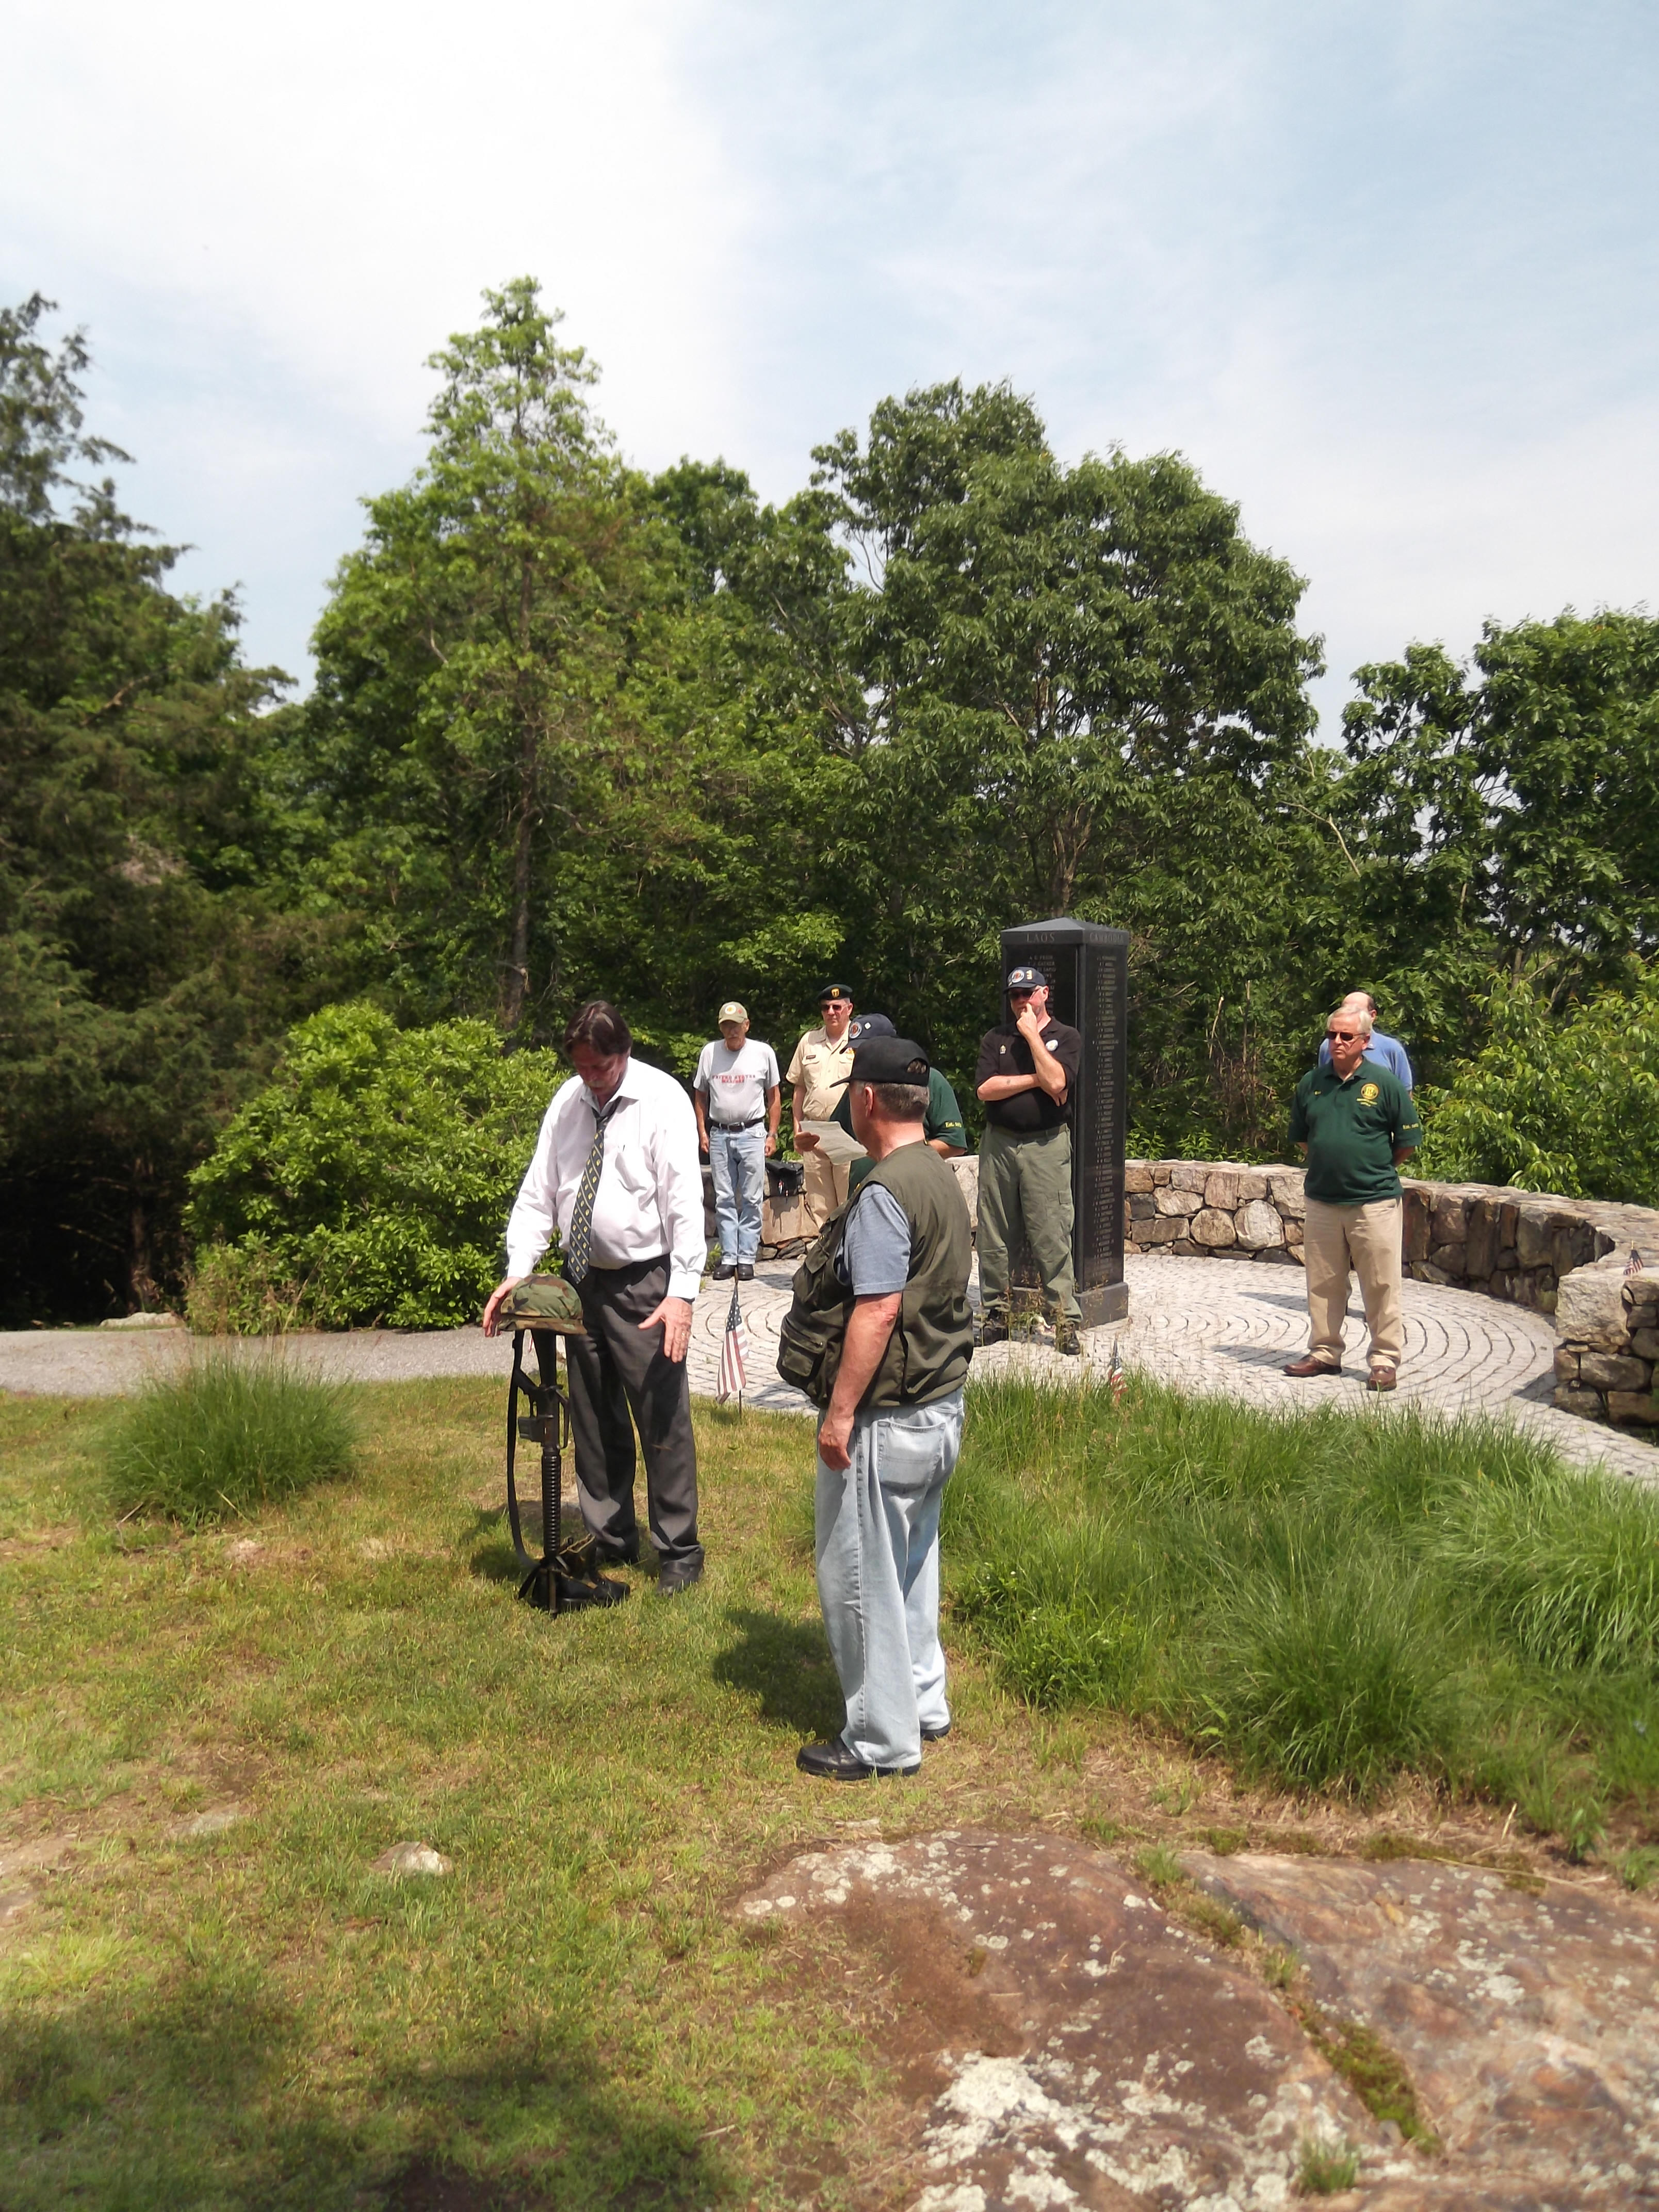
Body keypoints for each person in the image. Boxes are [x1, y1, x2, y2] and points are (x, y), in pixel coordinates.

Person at [778, 1033, 974, 1780]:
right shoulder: (937, 1172)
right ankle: (925, 1703)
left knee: (858, 1576)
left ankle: (879, 1738)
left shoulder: (886, 1190)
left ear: (865, 1100)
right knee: (911, 1567)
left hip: (888, 1417)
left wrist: (839, 1417)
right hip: (940, 1405)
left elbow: (879, 1309)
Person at [483, 999, 707, 1594]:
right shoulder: (568, 1102)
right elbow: (540, 1192)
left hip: (646, 1282)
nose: (591, 1079)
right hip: (580, 1282)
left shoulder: (662, 1100)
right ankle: (611, 1536)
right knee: (592, 1415)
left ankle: (679, 1551)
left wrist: (682, 1293)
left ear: (623, 1052)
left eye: (600, 1068)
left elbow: (685, 1204)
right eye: (581, 1068)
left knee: (660, 1415)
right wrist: (518, 1271)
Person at [1284, 1005, 1423, 1393]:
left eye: (1346, 1036)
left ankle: (1384, 1360)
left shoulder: (1384, 1083)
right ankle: (1325, 1353)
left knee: (1381, 1285)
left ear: (1365, 1041)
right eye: (1332, 1035)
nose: (1337, 1042)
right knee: (1323, 1283)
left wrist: (1371, 1167)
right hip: (1323, 1200)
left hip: (1374, 1201)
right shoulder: (1312, 1083)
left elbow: (1407, 1142)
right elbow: (1303, 1137)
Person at [973, 965, 1084, 1356]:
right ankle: (996, 1313)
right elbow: (985, 1089)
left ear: (1044, 994)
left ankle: (1064, 1321)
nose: (1021, 1001)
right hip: (1000, 1144)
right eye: (1015, 995)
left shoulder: (1066, 1037)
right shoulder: (996, 1039)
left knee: (1051, 1232)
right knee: (994, 1232)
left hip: (1046, 1145)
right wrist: (1035, 1080)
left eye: (1028, 993)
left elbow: (1059, 1082)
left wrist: (1033, 1036)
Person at [812, 1013, 967, 1194]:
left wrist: (895, 1154)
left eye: (866, 1050)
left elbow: (954, 1142)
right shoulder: (858, 1085)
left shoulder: (923, 1079)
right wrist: (813, 1142)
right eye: (855, 1052)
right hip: (862, 1189)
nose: (859, 1057)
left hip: (906, 1191)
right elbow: (837, 1132)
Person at [692, 1001, 780, 1281]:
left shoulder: (763, 1053)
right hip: (719, 1133)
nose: (732, 1031)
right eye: (726, 1026)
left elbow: (774, 1096)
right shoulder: (710, 1053)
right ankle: (729, 1256)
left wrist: (773, 1134)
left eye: (736, 1025)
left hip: (752, 1132)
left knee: (752, 1198)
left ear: (747, 1025)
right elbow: (700, 1096)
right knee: (724, 1198)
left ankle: (747, 1258)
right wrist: (702, 1132)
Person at [786, 982, 856, 1232]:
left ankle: (851, 1249)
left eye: (837, 1007)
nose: (831, 1012)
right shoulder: (809, 1041)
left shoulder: (860, 1040)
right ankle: (826, 1251)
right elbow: (799, 1089)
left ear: (849, 1009)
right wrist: (797, 1129)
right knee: (820, 1204)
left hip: (848, 1131)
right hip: (814, 1131)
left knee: (850, 1199)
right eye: (826, 1007)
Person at [1317, 991, 1414, 1089]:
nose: (1338, 1041)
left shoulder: (1392, 1049)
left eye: (1357, 1012)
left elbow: (1405, 1094)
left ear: (1372, 1016)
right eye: (1346, 1010)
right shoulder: (1328, 1046)